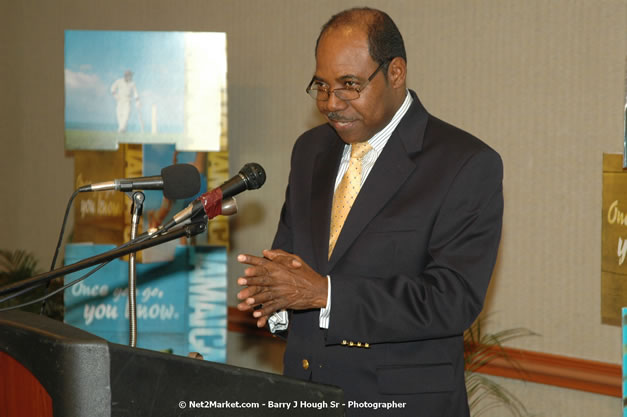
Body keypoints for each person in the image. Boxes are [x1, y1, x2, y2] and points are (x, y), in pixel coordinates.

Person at [236, 7, 503, 417]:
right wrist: (273, 297)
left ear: (395, 73)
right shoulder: (311, 151)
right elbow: (295, 267)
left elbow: (453, 300)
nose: (331, 103)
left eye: (349, 86)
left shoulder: (464, 163)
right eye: (321, 86)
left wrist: (325, 294)